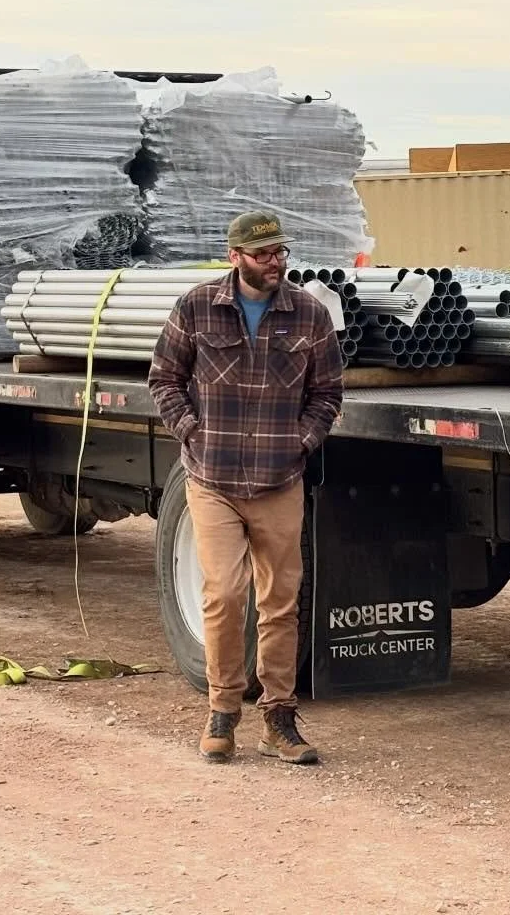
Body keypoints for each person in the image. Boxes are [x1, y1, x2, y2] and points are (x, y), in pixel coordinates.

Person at [149, 210, 344, 766]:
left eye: (281, 252)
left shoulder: (308, 313)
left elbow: (328, 392)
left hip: (279, 477)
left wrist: (302, 443)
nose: (276, 262)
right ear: (235, 256)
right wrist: (191, 430)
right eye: (264, 255)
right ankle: (223, 711)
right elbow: (163, 378)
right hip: (211, 477)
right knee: (225, 593)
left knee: (280, 600)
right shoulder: (196, 306)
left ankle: (278, 719)